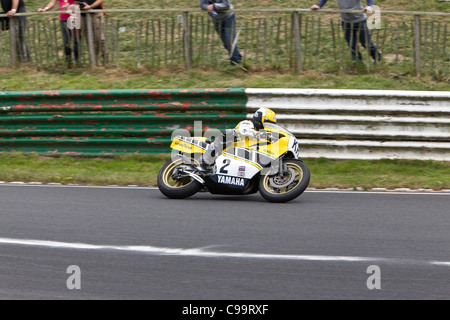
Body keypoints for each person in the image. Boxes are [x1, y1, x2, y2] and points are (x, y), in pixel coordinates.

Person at [201, 107, 277, 168]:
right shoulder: (248, 123)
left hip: (240, 158)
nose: (268, 126)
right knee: (229, 133)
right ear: (260, 118)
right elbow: (243, 131)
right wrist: (260, 135)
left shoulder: (263, 137)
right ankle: (207, 158)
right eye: (267, 123)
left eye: (271, 124)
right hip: (228, 148)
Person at [311, 0, 382, 64]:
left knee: (366, 43)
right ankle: (358, 63)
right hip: (345, 21)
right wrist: (319, 5)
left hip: (360, 20)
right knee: (352, 44)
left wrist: (369, 5)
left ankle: (377, 57)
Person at [200, 0, 242, 67]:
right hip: (216, 20)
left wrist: (214, 6)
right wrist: (208, 7)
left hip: (228, 17)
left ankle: (235, 63)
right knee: (225, 42)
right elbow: (202, 4)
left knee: (230, 40)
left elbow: (227, 5)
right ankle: (237, 57)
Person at [38, 0, 80, 67]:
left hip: (74, 18)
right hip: (63, 19)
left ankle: (77, 62)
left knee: (76, 40)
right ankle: (68, 62)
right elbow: (53, 2)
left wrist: (70, 6)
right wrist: (45, 9)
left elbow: (78, 3)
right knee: (66, 41)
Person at [75, 0, 107, 64]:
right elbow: (76, 3)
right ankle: (95, 60)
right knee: (89, 39)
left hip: (96, 14)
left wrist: (90, 7)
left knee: (100, 38)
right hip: (84, 16)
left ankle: (105, 57)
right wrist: (79, 6)